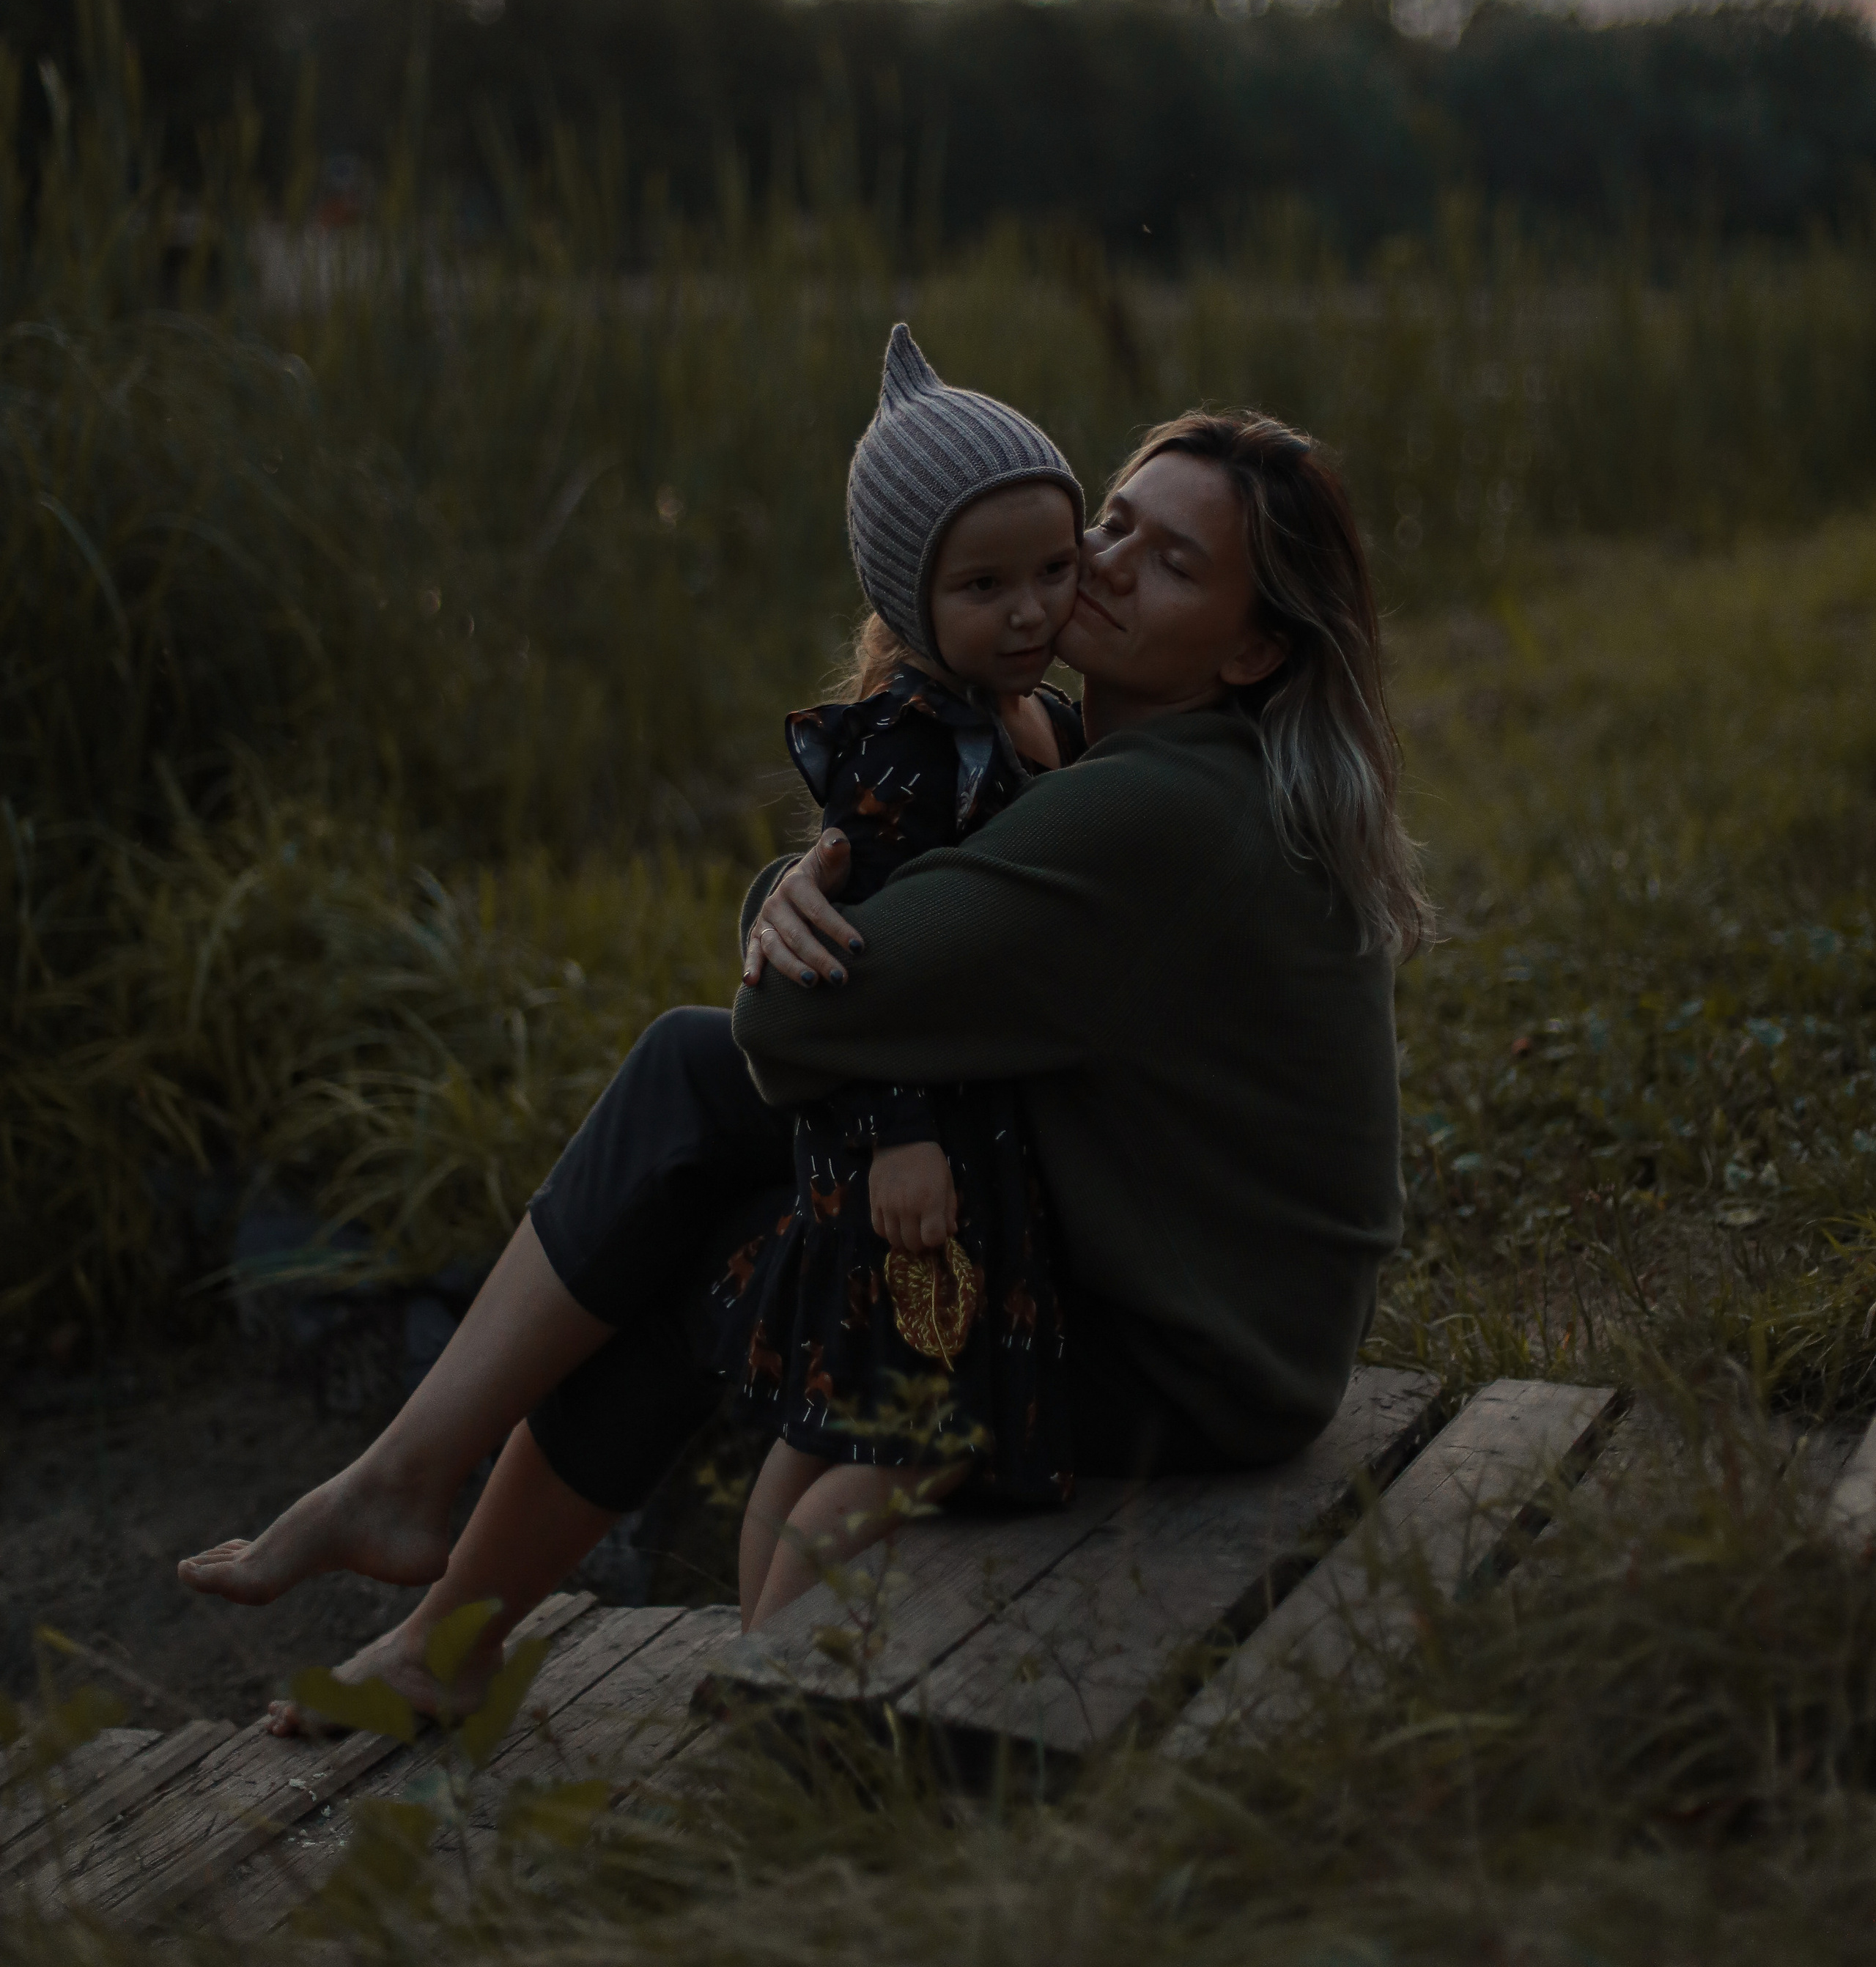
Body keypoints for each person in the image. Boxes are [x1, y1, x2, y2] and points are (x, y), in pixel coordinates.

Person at [180, 399, 1427, 1732]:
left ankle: (442, 1589)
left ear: (1252, 647)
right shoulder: (1142, 756)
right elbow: (893, 947)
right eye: (1115, 520)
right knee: (691, 1078)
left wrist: (785, 903)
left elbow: (800, 1021)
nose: (1108, 564)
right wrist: (796, 895)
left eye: (1174, 563)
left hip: (1188, 1364)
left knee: (717, 1202)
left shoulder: (1156, 809)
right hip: (1214, 1306)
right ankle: (423, 1548)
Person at [717, 326, 1085, 1628]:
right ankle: (766, 1665)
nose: (1033, 608)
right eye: (986, 586)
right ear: (905, 602)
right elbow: (854, 960)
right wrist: (901, 1136)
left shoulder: (1038, 715)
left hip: (958, 1139)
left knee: (841, 1417)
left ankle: (747, 1648)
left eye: (1056, 567)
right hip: (915, 1152)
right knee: (912, 1432)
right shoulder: (911, 750)